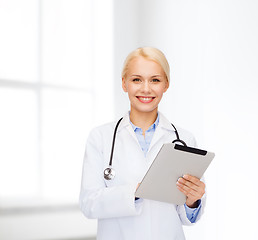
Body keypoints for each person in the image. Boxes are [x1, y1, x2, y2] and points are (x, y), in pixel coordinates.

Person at [79, 47, 206, 240]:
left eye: (155, 80)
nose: (146, 88)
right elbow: (89, 204)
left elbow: (187, 216)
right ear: (124, 83)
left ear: (166, 85)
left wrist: (193, 200)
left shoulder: (185, 139)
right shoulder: (101, 137)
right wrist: (135, 192)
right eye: (136, 79)